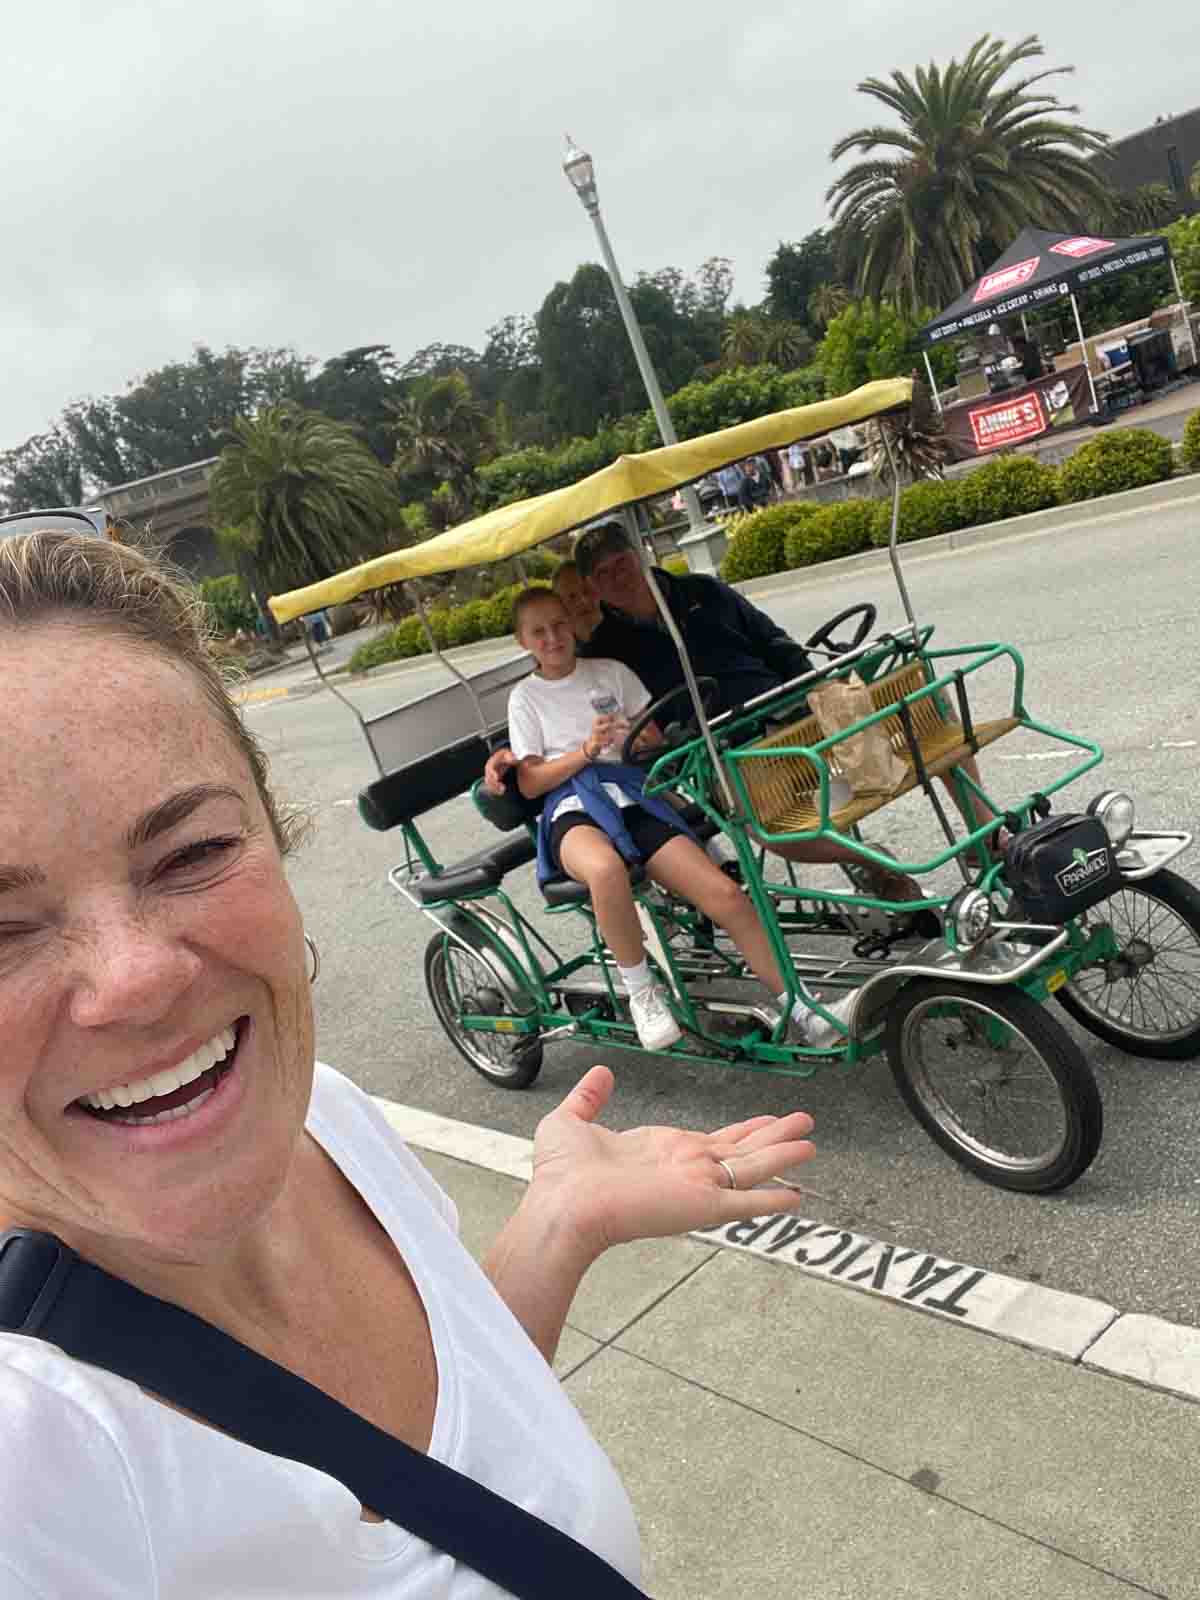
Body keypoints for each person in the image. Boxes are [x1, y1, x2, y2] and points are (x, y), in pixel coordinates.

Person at [0, 529, 825, 1598]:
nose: (137, 981)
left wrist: (554, 1224)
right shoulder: (30, 1467)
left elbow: (444, 1487)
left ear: (273, 831)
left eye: (195, 852)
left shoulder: (326, 1123)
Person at [483, 523, 997, 899]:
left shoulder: (702, 593)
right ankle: (873, 862)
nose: (615, 577)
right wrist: (504, 757)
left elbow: (775, 643)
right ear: (593, 586)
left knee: (918, 701)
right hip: (723, 744)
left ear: (638, 556)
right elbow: (568, 705)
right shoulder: (606, 649)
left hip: (789, 707)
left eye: (621, 563)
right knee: (764, 823)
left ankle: (986, 835)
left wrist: (823, 687)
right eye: (602, 574)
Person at [507, 587, 850, 1049]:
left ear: (571, 623)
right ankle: (642, 995)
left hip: (632, 794)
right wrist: (585, 751)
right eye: (538, 631)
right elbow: (530, 782)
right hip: (572, 807)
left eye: (558, 624)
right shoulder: (525, 697)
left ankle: (804, 1007)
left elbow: (652, 742)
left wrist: (638, 739)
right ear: (523, 641)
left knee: (725, 894)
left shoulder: (610, 672)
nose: (552, 637)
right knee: (606, 870)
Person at [551, 556, 603, 642]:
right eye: (571, 596)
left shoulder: (626, 623)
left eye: (587, 591)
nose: (583, 601)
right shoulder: (561, 649)